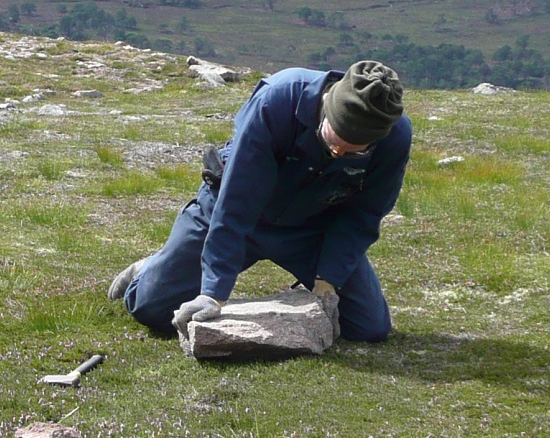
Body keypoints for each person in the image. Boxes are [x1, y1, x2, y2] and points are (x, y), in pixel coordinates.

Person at [109, 59, 410, 342]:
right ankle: (146, 270)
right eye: (333, 142)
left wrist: (327, 280)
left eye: (352, 152)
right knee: (152, 308)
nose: (337, 154)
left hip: (311, 229)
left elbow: (364, 214)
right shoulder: (278, 99)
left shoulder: (395, 137)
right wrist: (213, 292)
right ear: (327, 106)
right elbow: (235, 200)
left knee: (368, 327)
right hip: (237, 210)